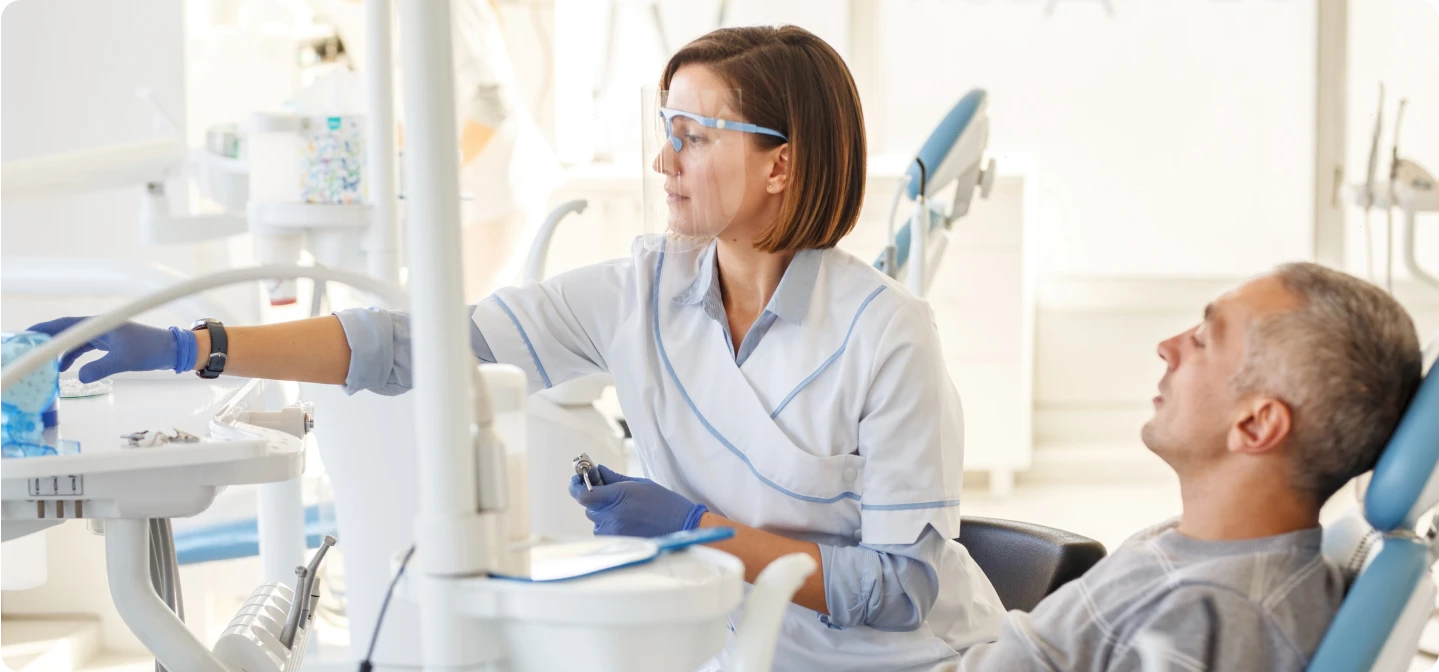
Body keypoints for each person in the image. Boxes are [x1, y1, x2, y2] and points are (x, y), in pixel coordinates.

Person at [30, 25, 1004, 671]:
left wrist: (699, 528)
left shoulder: (885, 337)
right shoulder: (643, 292)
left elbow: (897, 589)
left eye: (693, 135)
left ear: (780, 164)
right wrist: (193, 343)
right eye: (661, 131)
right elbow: (415, 346)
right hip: (747, 650)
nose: (662, 162)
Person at [952, 262, 1422, 672]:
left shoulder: (1214, 617)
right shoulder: (1200, 552)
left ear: (1256, 426)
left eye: (1202, 340)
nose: (1166, 347)